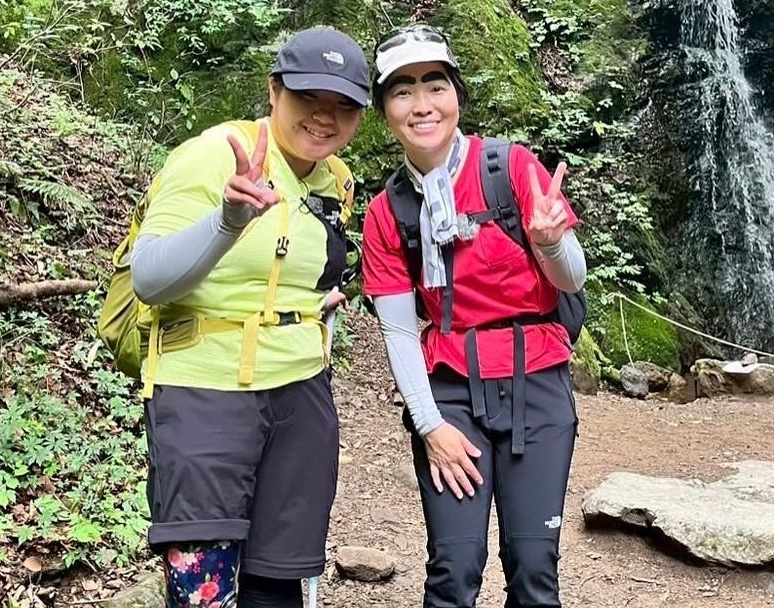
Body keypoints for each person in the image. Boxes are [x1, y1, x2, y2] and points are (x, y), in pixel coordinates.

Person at [127, 26, 368, 608]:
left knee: (280, 584)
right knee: (202, 588)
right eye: (309, 98)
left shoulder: (335, 180)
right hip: (204, 389)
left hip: (301, 394)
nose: (324, 117)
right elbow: (150, 278)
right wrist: (228, 221)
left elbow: (308, 272)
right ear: (274, 90)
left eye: (343, 106)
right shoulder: (213, 154)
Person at [361, 23, 587, 608]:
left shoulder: (507, 167)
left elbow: (571, 278)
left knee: (535, 568)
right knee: (453, 570)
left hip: (535, 380)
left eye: (434, 85)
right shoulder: (388, 213)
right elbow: (398, 328)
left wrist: (549, 242)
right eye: (402, 91)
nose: (421, 104)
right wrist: (430, 425)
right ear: (384, 109)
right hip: (450, 391)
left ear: (456, 94)